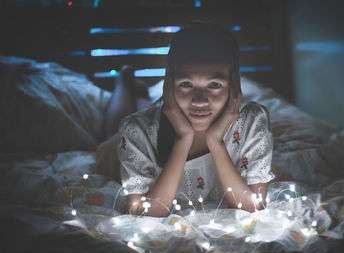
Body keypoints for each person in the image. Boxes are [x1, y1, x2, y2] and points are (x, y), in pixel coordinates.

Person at [98, 22, 275, 217]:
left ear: (233, 83)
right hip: (116, 149)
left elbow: (255, 207)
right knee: (113, 129)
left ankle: (140, 90)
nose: (200, 101)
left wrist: (215, 141)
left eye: (214, 84)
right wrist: (183, 139)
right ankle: (124, 80)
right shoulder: (136, 129)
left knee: (143, 107)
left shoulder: (253, 120)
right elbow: (142, 214)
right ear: (169, 82)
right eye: (186, 84)